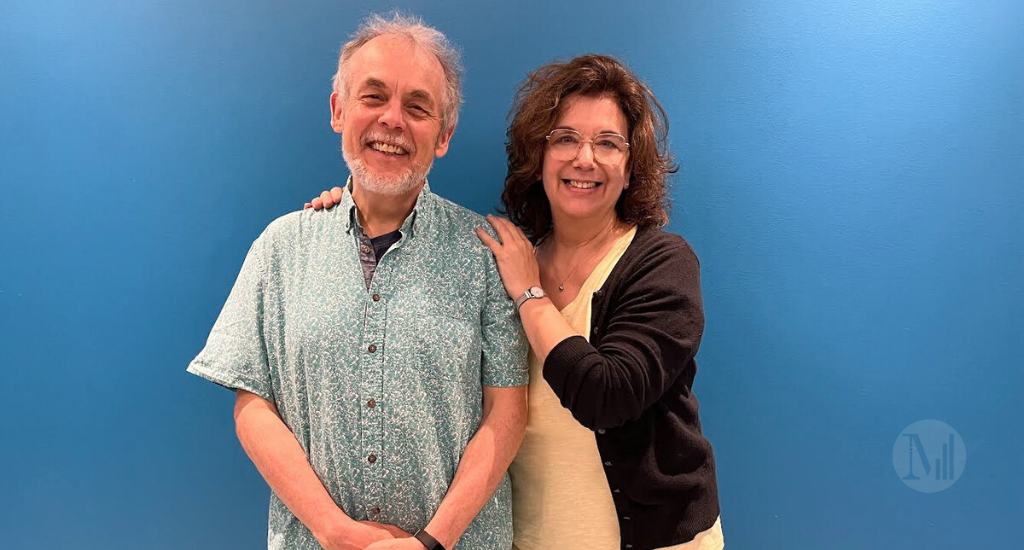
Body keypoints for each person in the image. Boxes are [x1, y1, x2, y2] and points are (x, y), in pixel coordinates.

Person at [311, 54, 723, 550]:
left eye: (608, 143)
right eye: (565, 139)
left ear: (632, 165)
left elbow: (607, 395)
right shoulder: (504, 257)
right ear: (539, 155)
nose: (584, 159)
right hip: (531, 538)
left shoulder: (662, 263)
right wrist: (350, 207)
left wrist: (530, 296)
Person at [188, 13, 529, 550]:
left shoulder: (484, 254)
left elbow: (507, 413)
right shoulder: (280, 248)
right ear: (337, 110)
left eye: (417, 107)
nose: (393, 120)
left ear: (443, 136)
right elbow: (252, 406)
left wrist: (429, 542)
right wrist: (337, 533)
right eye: (374, 97)